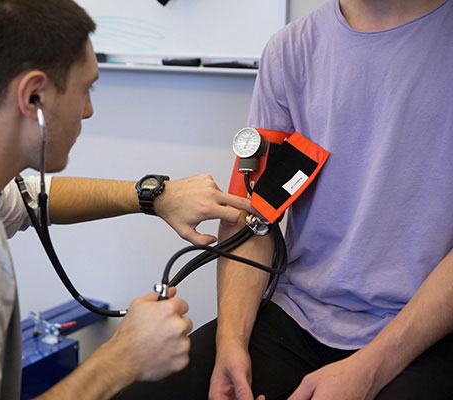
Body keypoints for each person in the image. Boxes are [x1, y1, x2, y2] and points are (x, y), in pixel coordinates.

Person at [0, 0, 259, 399]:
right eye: (85, 89)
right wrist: (121, 359)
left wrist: (156, 196)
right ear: (34, 96)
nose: (88, 111)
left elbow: (30, 198)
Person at [115, 0, 453, 399]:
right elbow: (253, 215)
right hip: (299, 314)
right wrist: (231, 343)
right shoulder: (291, 50)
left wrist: (371, 368)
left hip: (427, 329)